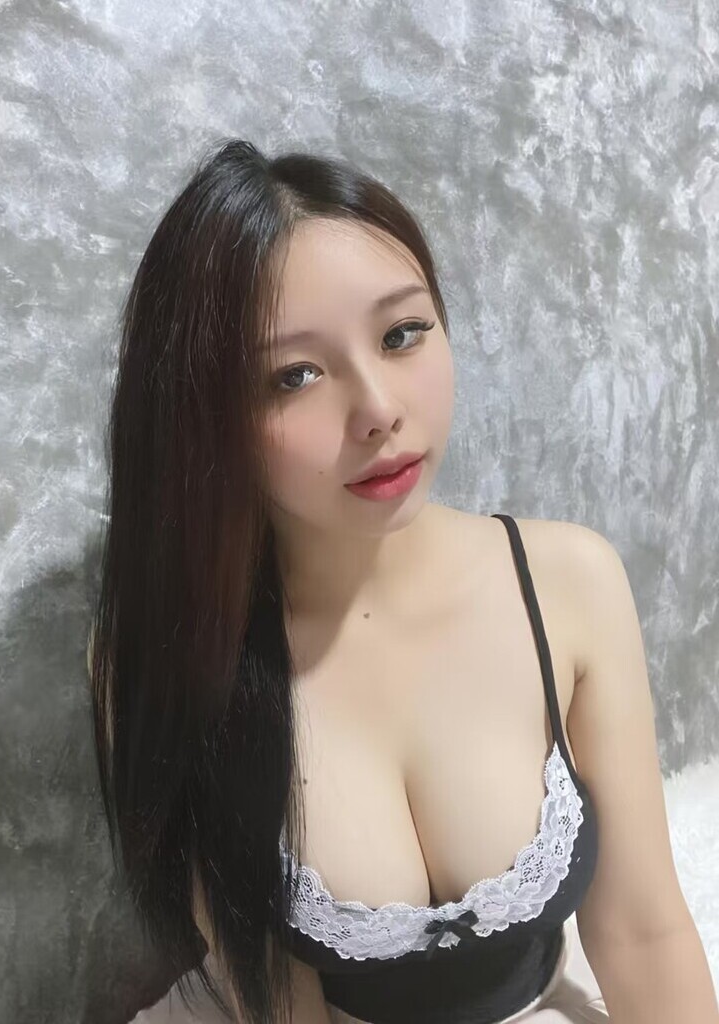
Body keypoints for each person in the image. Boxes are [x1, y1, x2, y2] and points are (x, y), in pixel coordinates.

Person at [87, 138, 713, 1024]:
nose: (378, 410)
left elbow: (643, 933)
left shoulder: (567, 583)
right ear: (204, 420)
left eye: (401, 334)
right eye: (293, 375)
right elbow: (274, 999)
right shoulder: (176, 651)